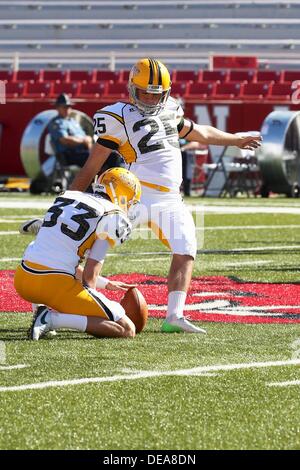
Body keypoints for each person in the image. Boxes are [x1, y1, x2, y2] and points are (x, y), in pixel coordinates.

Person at [22, 58, 262, 334]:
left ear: (167, 93)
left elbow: (199, 131)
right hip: (131, 194)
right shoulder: (117, 116)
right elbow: (92, 165)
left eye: (156, 93)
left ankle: (174, 316)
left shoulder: (171, 109)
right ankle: (63, 299)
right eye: (145, 92)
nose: (150, 98)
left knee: (186, 247)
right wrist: (68, 203)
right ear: (132, 89)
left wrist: (235, 138)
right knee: (91, 244)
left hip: (170, 197)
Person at [15, 168, 141, 341]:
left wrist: (106, 283)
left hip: (22, 280)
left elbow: (62, 260)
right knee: (126, 329)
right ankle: (50, 320)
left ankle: (44, 312)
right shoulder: (113, 216)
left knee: (44, 249)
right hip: (53, 285)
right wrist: (97, 306)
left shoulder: (69, 196)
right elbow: (89, 278)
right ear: (123, 194)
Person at [48, 93, 93, 168]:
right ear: (58, 108)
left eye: (69, 107)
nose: (67, 109)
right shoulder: (56, 123)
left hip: (82, 152)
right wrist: (83, 141)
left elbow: (85, 137)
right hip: (68, 156)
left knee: (112, 156)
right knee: (91, 158)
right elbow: (64, 140)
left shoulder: (73, 121)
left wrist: (87, 139)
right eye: (64, 107)